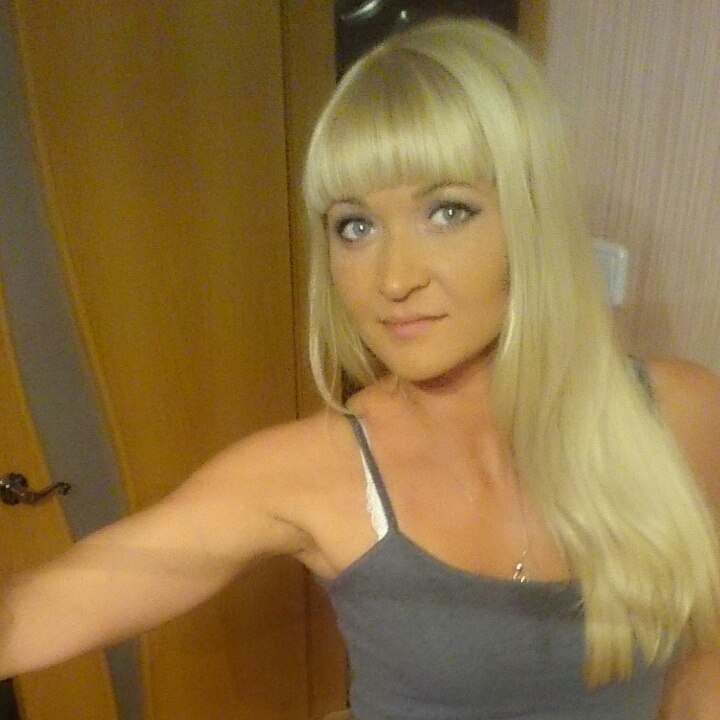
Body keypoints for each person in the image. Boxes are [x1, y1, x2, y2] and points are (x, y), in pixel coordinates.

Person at [1, 16, 719, 720]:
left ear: (534, 218)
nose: (393, 278)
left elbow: (704, 657)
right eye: (356, 226)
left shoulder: (682, 413)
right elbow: (34, 615)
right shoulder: (308, 473)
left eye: (447, 212)